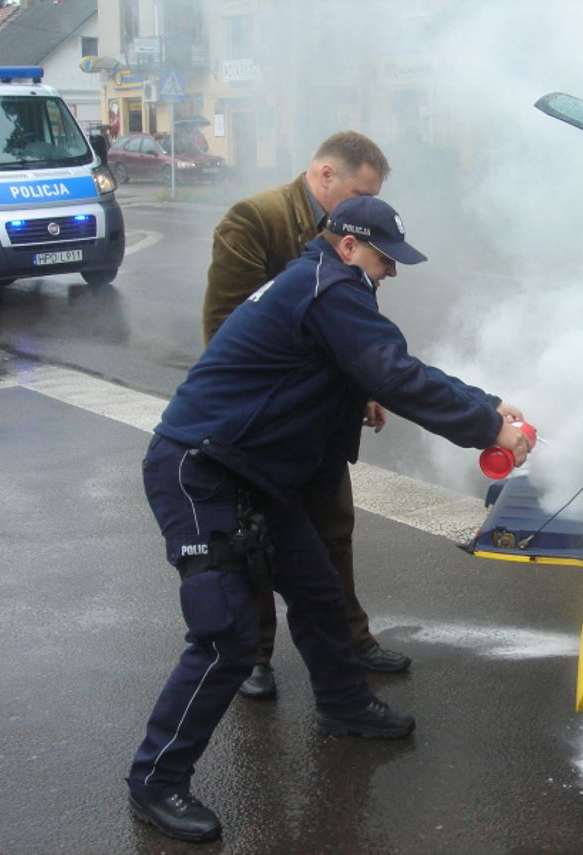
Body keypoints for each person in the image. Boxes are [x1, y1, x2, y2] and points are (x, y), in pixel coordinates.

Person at [127, 195, 533, 843]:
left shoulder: (323, 280)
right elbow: (394, 372)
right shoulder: (330, 286)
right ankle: (155, 780)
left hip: (249, 475)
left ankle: (344, 704)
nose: (392, 270)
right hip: (201, 472)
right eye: (384, 256)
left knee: (317, 591)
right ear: (347, 244)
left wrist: (488, 404)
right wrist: (488, 425)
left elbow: (361, 367)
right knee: (225, 634)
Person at [203, 131, 409, 701]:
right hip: (262, 426)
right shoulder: (254, 218)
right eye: (358, 191)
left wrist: (364, 384)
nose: (363, 205)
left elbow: (352, 321)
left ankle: (351, 642)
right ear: (324, 176)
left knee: (332, 532)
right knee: (256, 541)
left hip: (321, 421)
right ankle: (253, 656)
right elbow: (225, 329)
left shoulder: (351, 230)